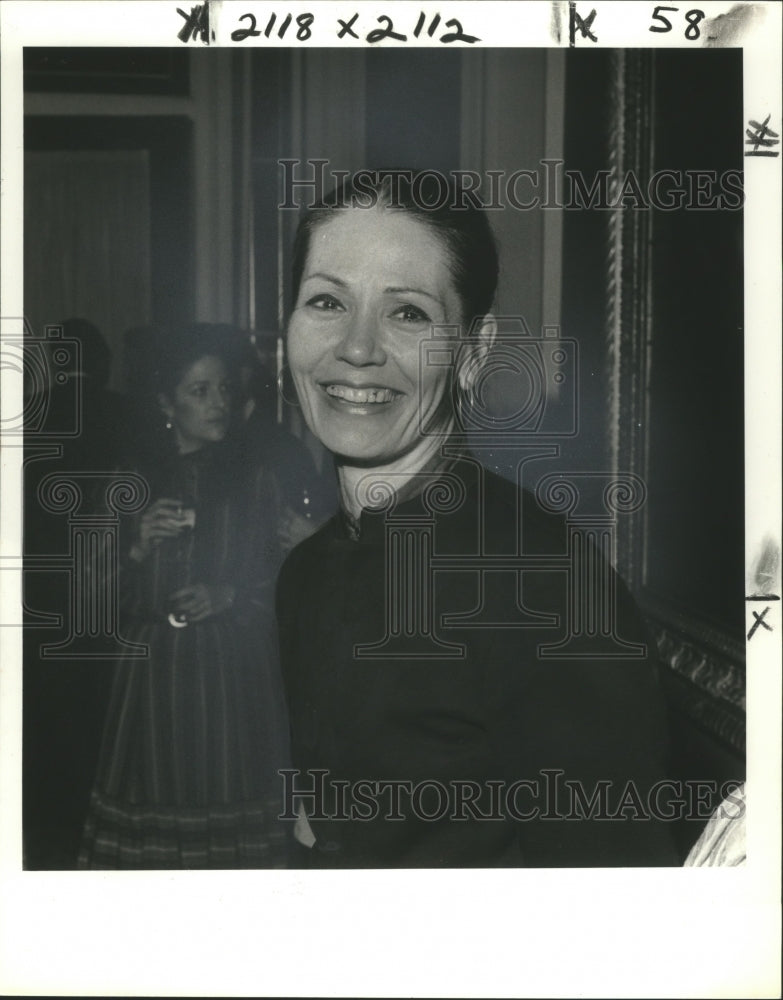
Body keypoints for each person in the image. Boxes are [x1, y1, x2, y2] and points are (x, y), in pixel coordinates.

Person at [276, 171, 680, 868]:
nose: (356, 347)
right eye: (325, 302)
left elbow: (613, 913)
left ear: (473, 351)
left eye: (408, 313)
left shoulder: (549, 594)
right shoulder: (304, 572)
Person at [78, 326, 290, 869]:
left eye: (223, 389)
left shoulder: (255, 480)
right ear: (166, 403)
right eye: (199, 391)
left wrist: (231, 595)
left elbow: (286, 581)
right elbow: (92, 604)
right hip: (151, 681)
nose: (217, 403)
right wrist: (136, 547)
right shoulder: (129, 482)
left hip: (229, 682)